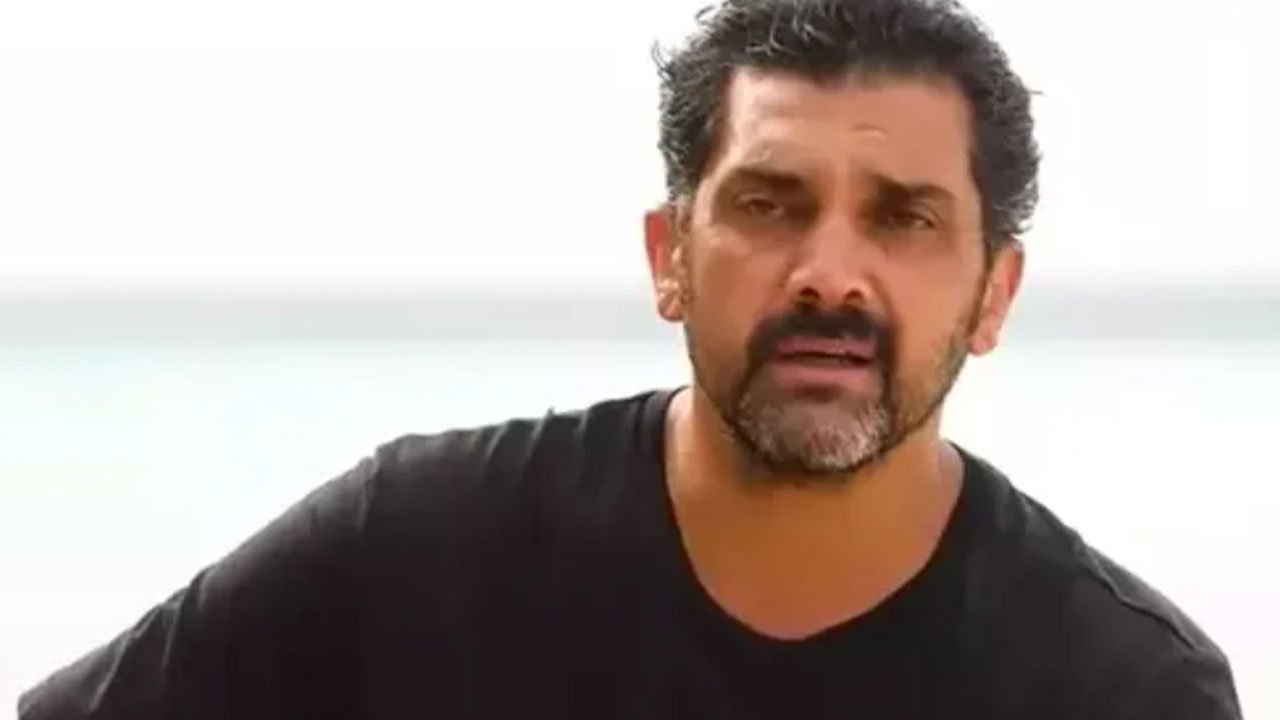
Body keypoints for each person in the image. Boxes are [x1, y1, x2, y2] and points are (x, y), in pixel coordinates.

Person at [18, 0, 1243, 718]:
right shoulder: (413, 549)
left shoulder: (1121, 688)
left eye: (902, 218)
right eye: (766, 204)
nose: (827, 272)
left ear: (992, 294)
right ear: (669, 257)